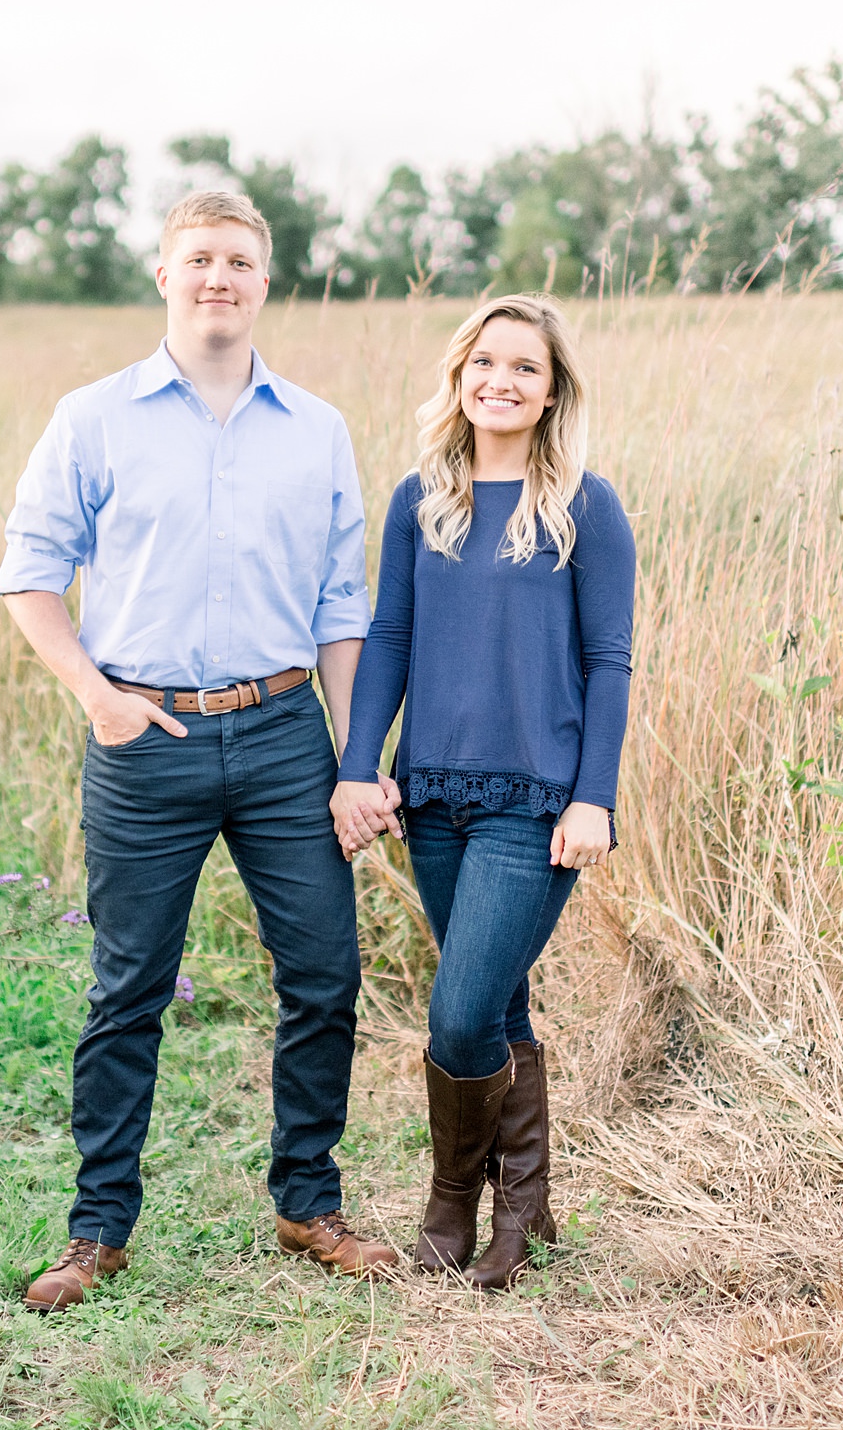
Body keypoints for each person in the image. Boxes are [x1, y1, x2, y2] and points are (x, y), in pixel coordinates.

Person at [0, 189, 399, 1314]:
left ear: (265, 280)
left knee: (323, 975)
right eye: (199, 259)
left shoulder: (314, 427)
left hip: (282, 734)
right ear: (163, 274)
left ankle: (306, 1202)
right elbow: (29, 574)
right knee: (127, 987)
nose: (218, 277)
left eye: (239, 261)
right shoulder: (94, 417)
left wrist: (357, 761)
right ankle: (97, 1229)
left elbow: (339, 609)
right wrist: (98, 696)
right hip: (146, 737)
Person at [331, 292, 635, 1290]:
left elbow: (607, 660)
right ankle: (528, 1210)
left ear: (551, 395)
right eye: (487, 363)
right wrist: (358, 763)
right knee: (498, 1007)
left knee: (460, 1013)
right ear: (460, 375)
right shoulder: (425, 498)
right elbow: (390, 641)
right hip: (435, 797)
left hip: (536, 802)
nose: (502, 382)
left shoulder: (586, 505)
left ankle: (452, 1199)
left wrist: (594, 796)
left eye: (526, 370)